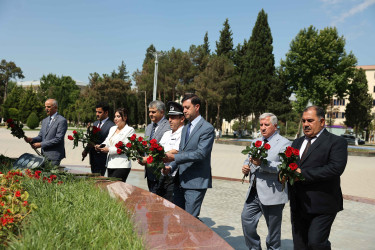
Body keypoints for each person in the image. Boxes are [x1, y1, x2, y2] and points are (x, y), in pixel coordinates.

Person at [290, 106, 347, 250]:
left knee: (316, 243)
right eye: (303, 121)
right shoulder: (296, 142)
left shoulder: (336, 142)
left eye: (310, 120)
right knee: (299, 245)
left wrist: (302, 174)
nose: (305, 124)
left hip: (323, 204)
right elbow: (290, 165)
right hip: (299, 204)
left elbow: (335, 168)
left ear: (322, 122)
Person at [241, 113, 291, 250]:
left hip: (273, 193)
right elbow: (249, 160)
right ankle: (254, 248)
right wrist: (246, 167)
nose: (263, 128)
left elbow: (283, 166)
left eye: (266, 125)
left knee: (273, 232)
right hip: (254, 191)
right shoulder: (255, 142)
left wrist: (262, 164)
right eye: (261, 125)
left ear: (275, 126)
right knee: (246, 220)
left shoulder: (284, 143)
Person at [163, 94, 215, 218]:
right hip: (180, 180)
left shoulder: (207, 128)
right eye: (183, 107)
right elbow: (182, 152)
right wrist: (171, 167)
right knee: (178, 218)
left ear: (197, 107)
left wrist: (173, 157)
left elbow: (201, 154)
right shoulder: (186, 128)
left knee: (190, 220)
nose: (184, 110)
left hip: (195, 182)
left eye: (187, 107)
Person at [155, 101, 185, 201]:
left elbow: (176, 151)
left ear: (182, 119)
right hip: (162, 174)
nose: (170, 120)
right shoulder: (167, 133)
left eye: (173, 117)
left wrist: (156, 155)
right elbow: (158, 149)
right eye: (169, 117)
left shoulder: (184, 134)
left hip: (174, 176)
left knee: (171, 206)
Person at [95, 108, 134, 182]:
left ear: (125, 118)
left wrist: (109, 149)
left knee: (116, 188)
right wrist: (100, 146)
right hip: (110, 164)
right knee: (111, 189)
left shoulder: (130, 130)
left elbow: (125, 148)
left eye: (118, 116)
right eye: (115, 116)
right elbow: (107, 141)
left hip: (122, 165)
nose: (115, 119)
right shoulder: (113, 128)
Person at [24, 99, 67, 166]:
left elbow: (58, 139)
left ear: (55, 107)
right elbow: (41, 136)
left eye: (49, 107)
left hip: (54, 156)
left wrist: (41, 144)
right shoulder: (45, 120)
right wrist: (32, 139)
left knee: (51, 176)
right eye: (45, 107)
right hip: (43, 155)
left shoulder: (61, 120)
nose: (46, 109)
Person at [144, 100, 171, 193]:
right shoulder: (149, 127)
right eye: (149, 112)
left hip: (161, 171)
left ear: (162, 112)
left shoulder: (168, 126)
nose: (150, 114)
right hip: (149, 171)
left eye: (153, 112)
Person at [82, 102, 115, 176]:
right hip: (93, 157)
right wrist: (86, 150)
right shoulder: (95, 123)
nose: (97, 114)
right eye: (96, 112)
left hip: (102, 158)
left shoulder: (112, 126)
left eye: (99, 112)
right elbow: (92, 139)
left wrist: (100, 147)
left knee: (99, 179)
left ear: (106, 113)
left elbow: (110, 142)